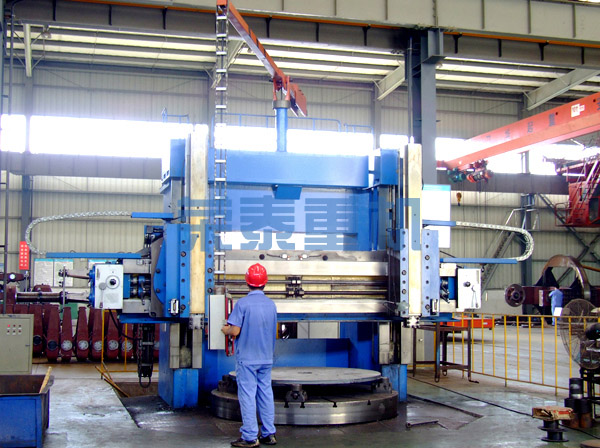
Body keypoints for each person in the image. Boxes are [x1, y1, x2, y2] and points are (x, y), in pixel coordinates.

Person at [221, 263, 278, 447]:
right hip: (266, 357)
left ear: (247, 282)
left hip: (247, 359)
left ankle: (250, 437)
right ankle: (268, 434)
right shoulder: (271, 305)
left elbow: (235, 331)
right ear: (265, 283)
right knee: (265, 393)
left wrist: (225, 329)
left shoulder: (243, 304)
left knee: (247, 395)